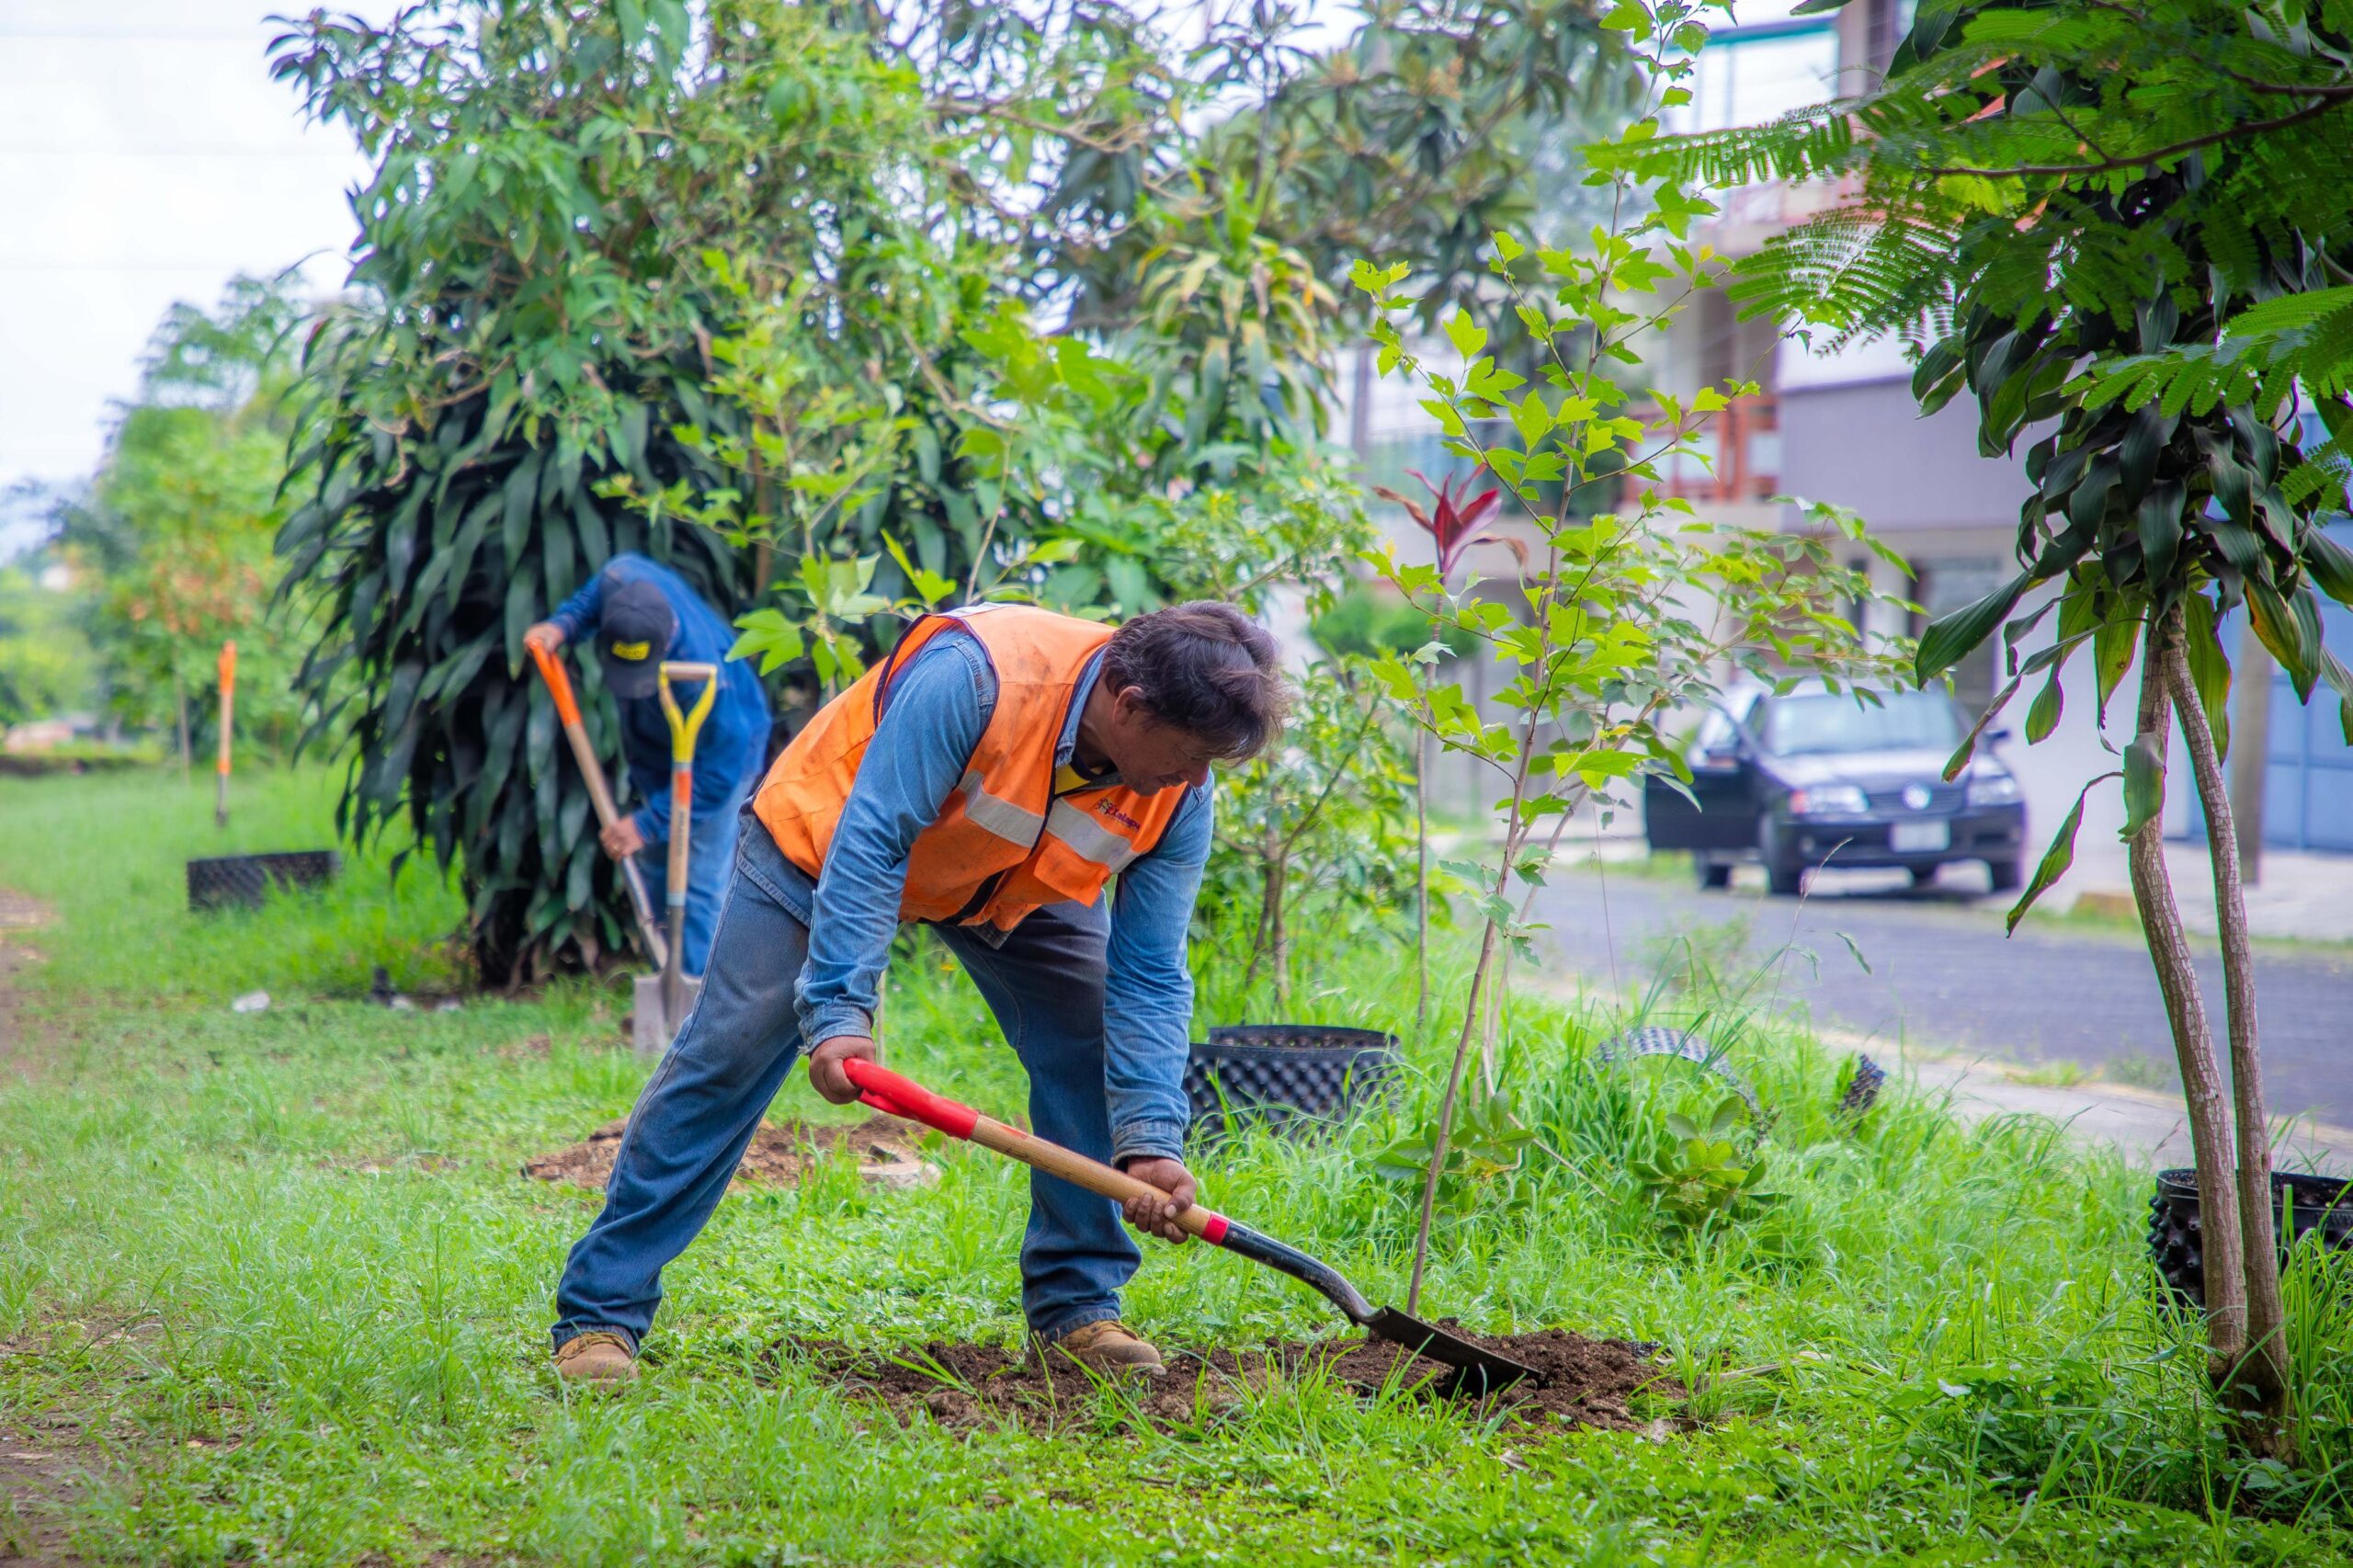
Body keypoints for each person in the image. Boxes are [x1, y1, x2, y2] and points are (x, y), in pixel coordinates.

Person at [548, 600, 1287, 1384]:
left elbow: (1151, 972)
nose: (1201, 778)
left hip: (1006, 886)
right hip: (828, 842)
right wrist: (837, 1010)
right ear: (1130, 706)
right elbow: (873, 839)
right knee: (729, 1051)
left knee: (1093, 1034)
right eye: (1194, 753)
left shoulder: (1179, 795)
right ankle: (601, 1315)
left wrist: (1150, 1140)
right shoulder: (977, 680)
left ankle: (1078, 1308)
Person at [524, 553, 771, 977]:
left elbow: (718, 774)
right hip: (657, 744)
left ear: (666, 644)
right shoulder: (622, 584)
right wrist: (562, 625)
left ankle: (697, 1003)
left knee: (697, 882)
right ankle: (667, 977)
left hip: (722, 759)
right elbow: (595, 592)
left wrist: (645, 823)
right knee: (659, 865)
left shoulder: (708, 679)